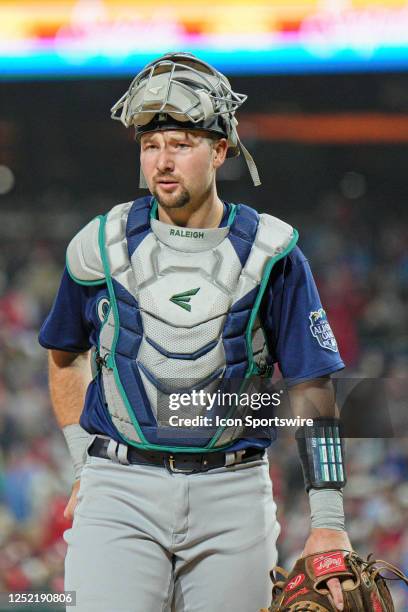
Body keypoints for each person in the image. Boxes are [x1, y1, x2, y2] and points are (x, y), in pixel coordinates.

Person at [39, 52, 351, 612]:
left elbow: (313, 390)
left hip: (232, 494)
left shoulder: (273, 253)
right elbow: (65, 356)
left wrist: (328, 521)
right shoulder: (100, 246)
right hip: (119, 489)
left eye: (181, 143)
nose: (162, 160)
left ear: (221, 150)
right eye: (151, 144)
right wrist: (83, 464)